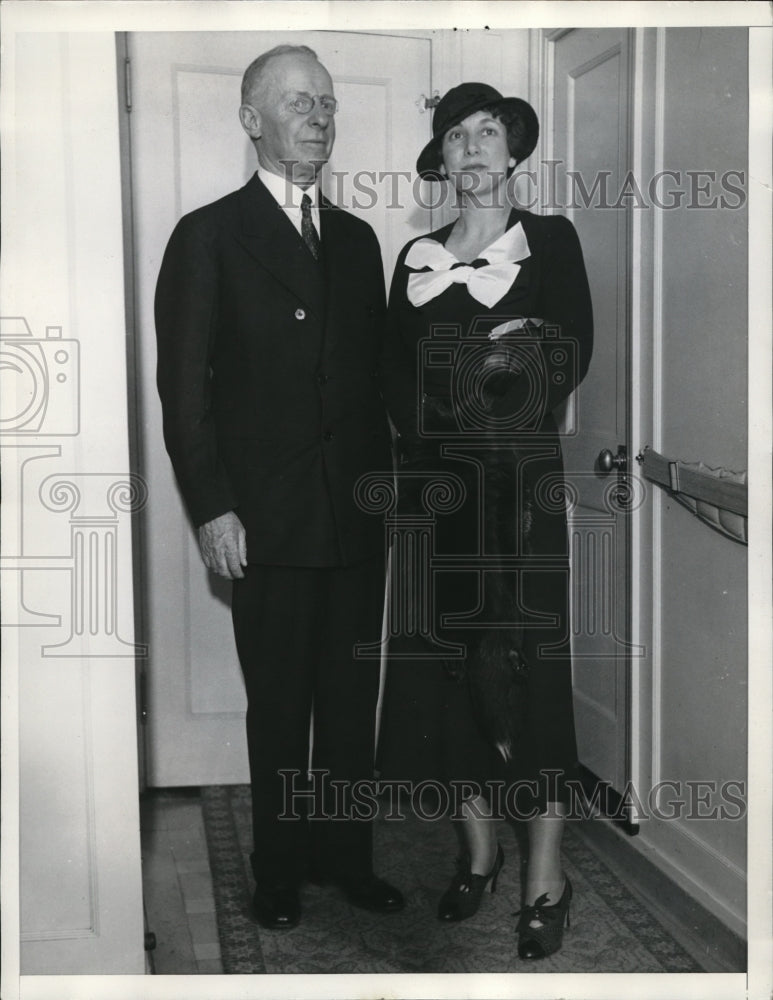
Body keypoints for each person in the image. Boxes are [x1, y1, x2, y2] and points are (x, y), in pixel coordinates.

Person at [155, 44, 403, 930]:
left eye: (328, 105)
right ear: (252, 119)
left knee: (347, 701)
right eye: (299, 103)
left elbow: (370, 382)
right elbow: (183, 392)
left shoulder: (359, 239)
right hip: (264, 519)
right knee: (281, 706)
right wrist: (212, 507)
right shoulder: (209, 235)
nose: (319, 117)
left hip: (353, 513)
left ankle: (347, 860)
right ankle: (279, 871)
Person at [378, 82, 593, 959]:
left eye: (488, 133)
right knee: (443, 679)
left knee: (526, 673)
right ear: (440, 156)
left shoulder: (551, 241)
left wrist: (470, 376)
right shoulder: (413, 257)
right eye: (455, 134)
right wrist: (482, 363)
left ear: (512, 153)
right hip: (436, 500)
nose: (471, 147)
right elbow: (393, 383)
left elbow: (563, 355)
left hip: (519, 497)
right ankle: (477, 852)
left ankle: (545, 872)